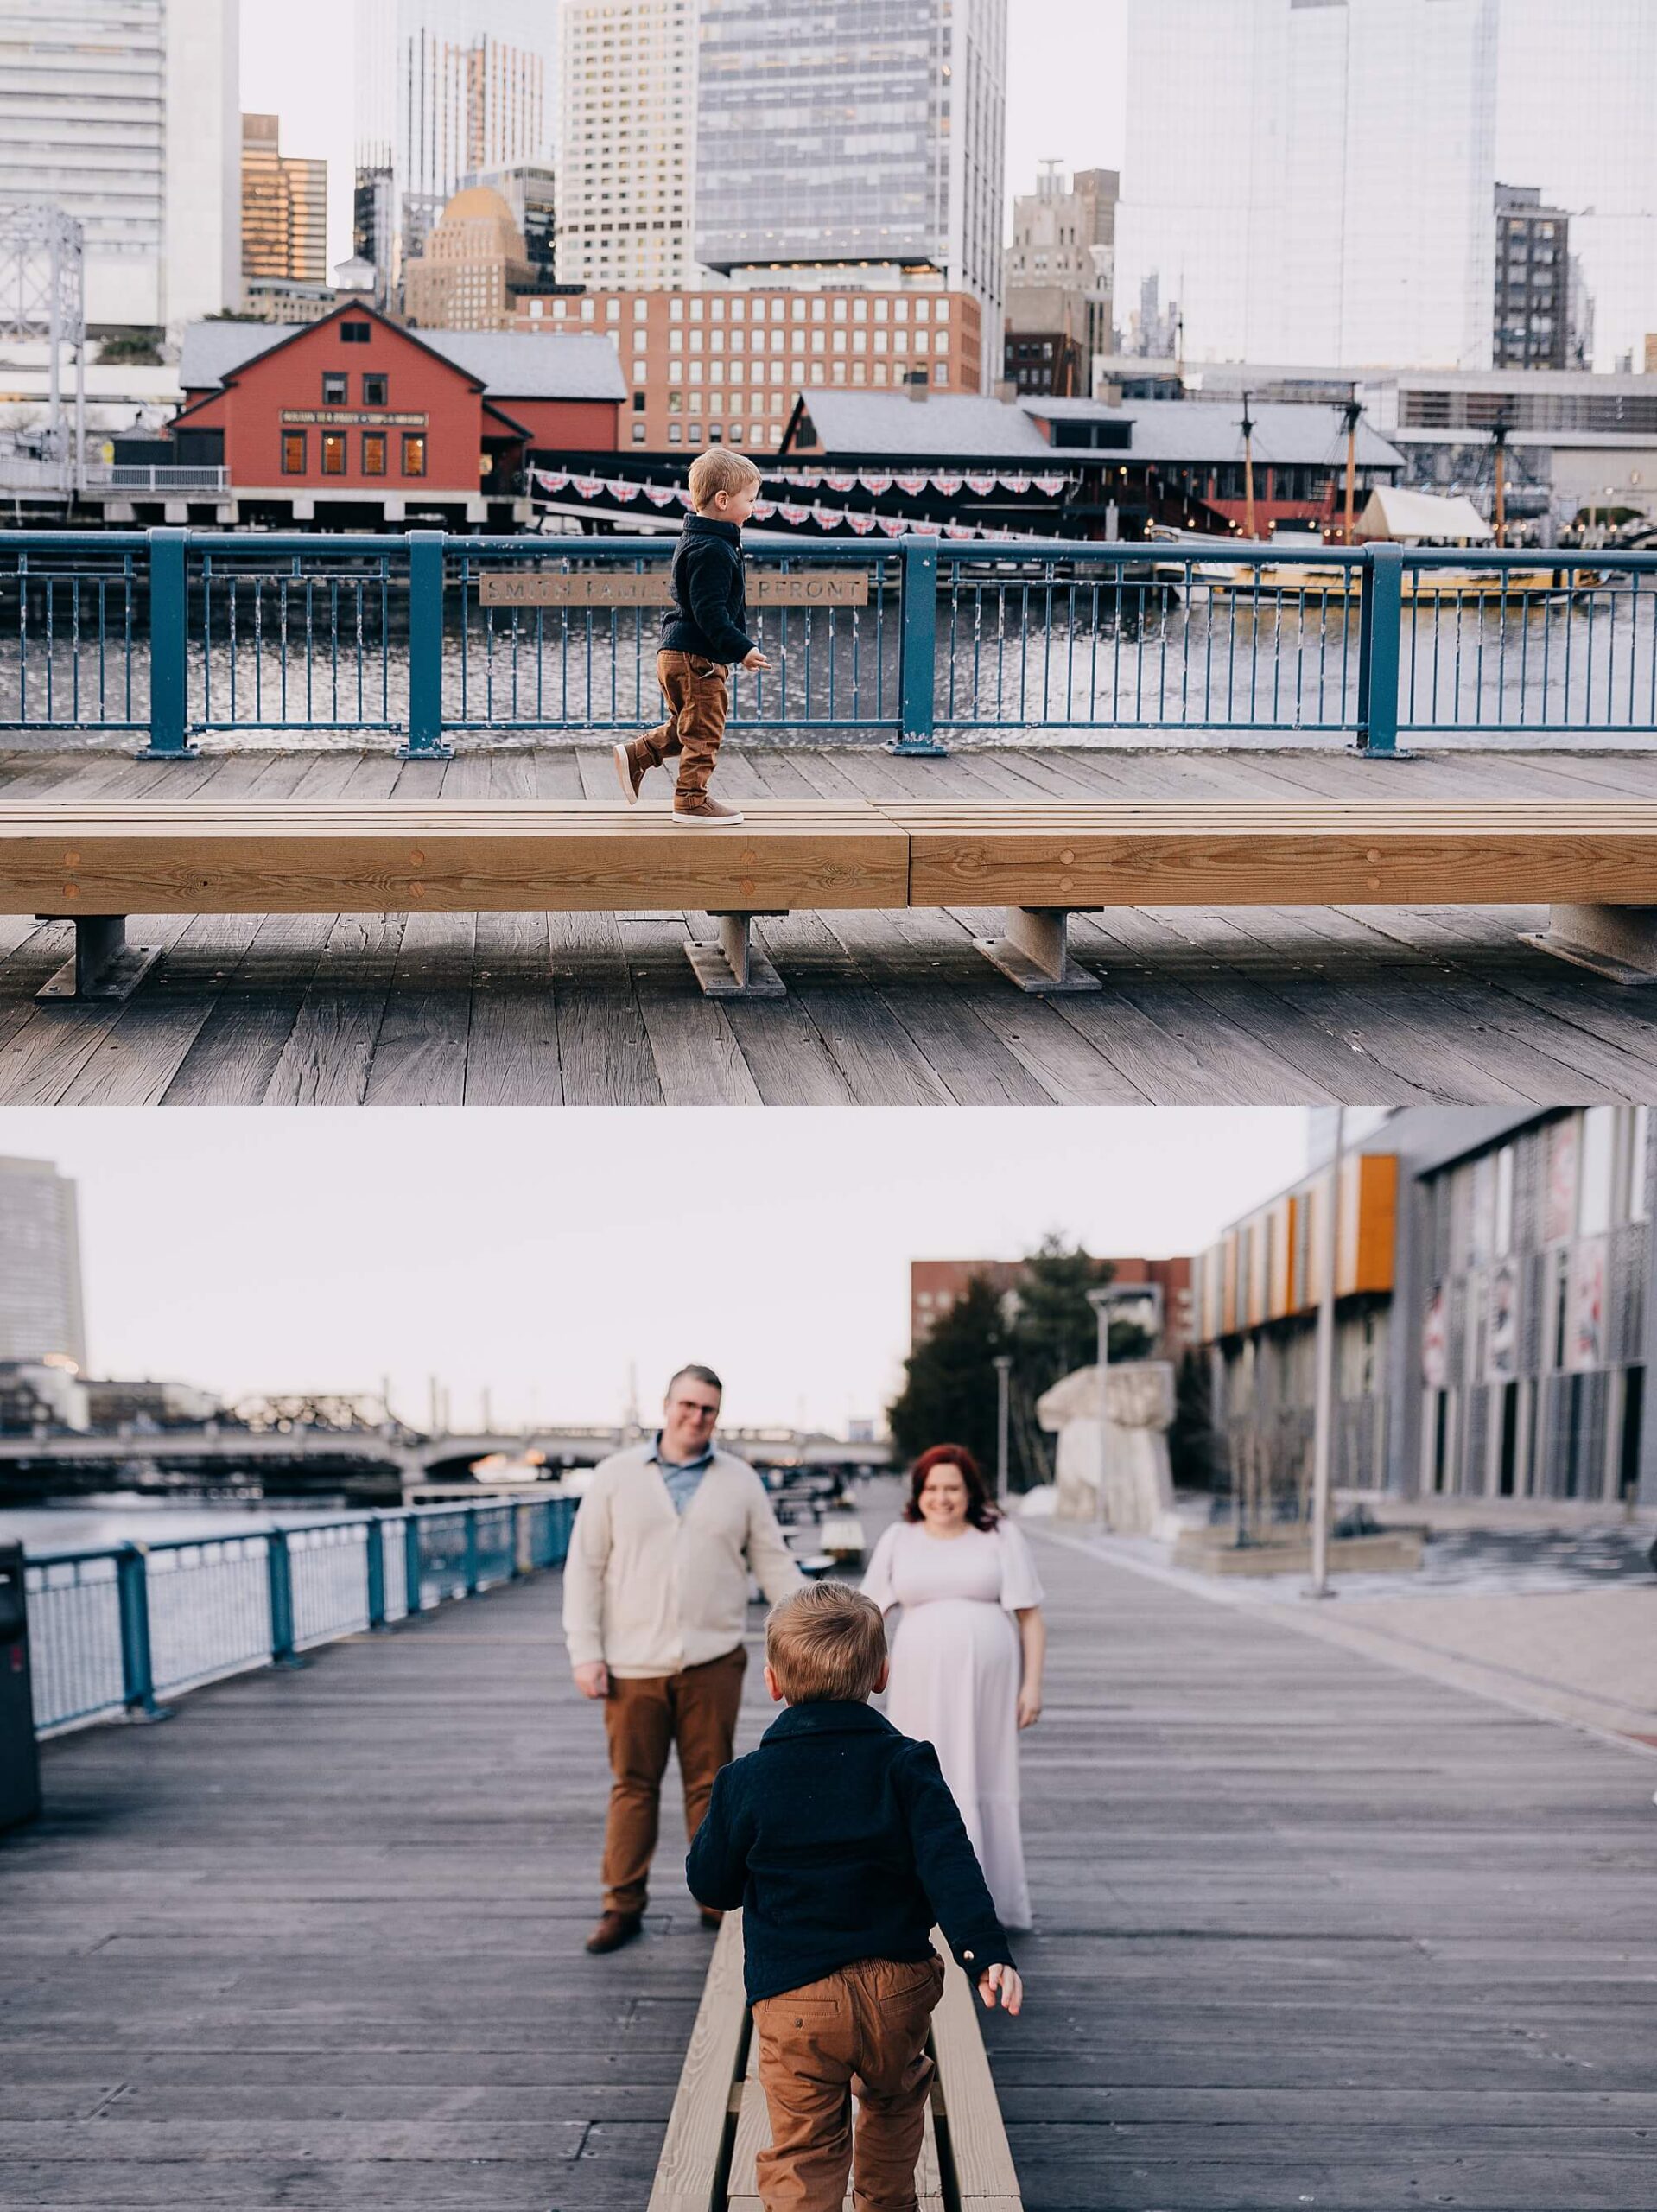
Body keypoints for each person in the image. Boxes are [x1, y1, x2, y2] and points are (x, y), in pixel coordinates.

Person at [687, 1581, 1024, 2212]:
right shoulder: (908, 1765)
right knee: (895, 2110)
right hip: (897, 1989)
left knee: (804, 2149)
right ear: (882, 1675)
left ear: (773, 1682)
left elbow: (713, 1885)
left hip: (795, 1999)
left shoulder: (745, 1781)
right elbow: (949, 1863)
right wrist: (984, 1951)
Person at [562, 1363, 803, 1955]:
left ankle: (714, 1899)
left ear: (718, 1416)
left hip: (712, 1659)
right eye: (688, 1405)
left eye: (709, 1410)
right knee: (633, 1786)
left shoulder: (740, 1480)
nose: (696, 1418)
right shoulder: (616, 1477)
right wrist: (585, 1652)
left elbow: (771, 1562)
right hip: (631, 1664)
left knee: (709, 1787)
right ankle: (622, 1905)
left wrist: (813, 1621)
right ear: (666, 1406)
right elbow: (585, 1569)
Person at [861, 1446, 1046, 1931]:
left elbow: (1030, 1617)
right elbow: (869, 1613)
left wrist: (1032, 1686)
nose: (942, 1498)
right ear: (919, 1494)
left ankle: (990, 1902)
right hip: (918, 1679)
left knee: (986, 1775)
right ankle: (917, 1898)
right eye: (932, 1488)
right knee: (921, 1774)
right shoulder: (899, 1538)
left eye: (953, 1488)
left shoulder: (1001, 1535)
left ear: (970, 1492)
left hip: (990, 1684)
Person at [612, 447, 773, 829]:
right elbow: (710, 612)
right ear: (723, 500)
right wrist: (743, 649)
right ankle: (690, 801)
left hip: (679, 653)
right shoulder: (713, 549)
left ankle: (639, 754)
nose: (753, 508)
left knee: (688, 724)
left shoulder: (700, 539)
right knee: (704, 731)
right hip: (696, 657)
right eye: (749, 500)